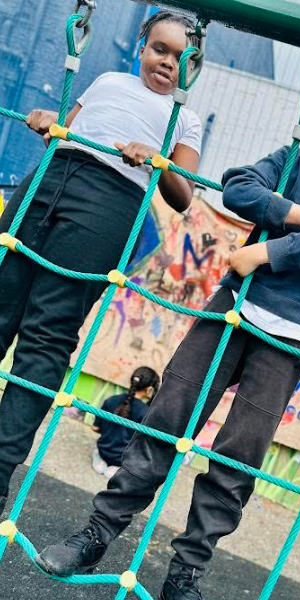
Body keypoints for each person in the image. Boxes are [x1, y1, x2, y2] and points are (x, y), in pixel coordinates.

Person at [35, 71, 300, 600]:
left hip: (290, 332)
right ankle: (97, 533)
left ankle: (186, 572)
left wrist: (263, 252)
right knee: (166, 419)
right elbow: (238, 185)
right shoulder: (290, 160)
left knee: (237, 455)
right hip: (232, 308)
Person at [0, 11, 202, 518]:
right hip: (50, 176)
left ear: (194, 67)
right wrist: (49, 121)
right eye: (160, 49)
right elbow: (69, 128)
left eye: (181, 58)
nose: (168, 62)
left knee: (47, 333)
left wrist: (158, 161)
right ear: (142, 47)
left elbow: (184, 195)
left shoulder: (184, 118)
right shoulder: (109, 80)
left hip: (111, 201)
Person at [91, 367, 160, 479]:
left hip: (103, 450)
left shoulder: (111, 400)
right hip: (123, 459)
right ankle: (114, 468)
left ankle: (100, 458)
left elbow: (95, 428)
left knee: (102, 463)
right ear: (149, 389)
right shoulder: (146, 413)